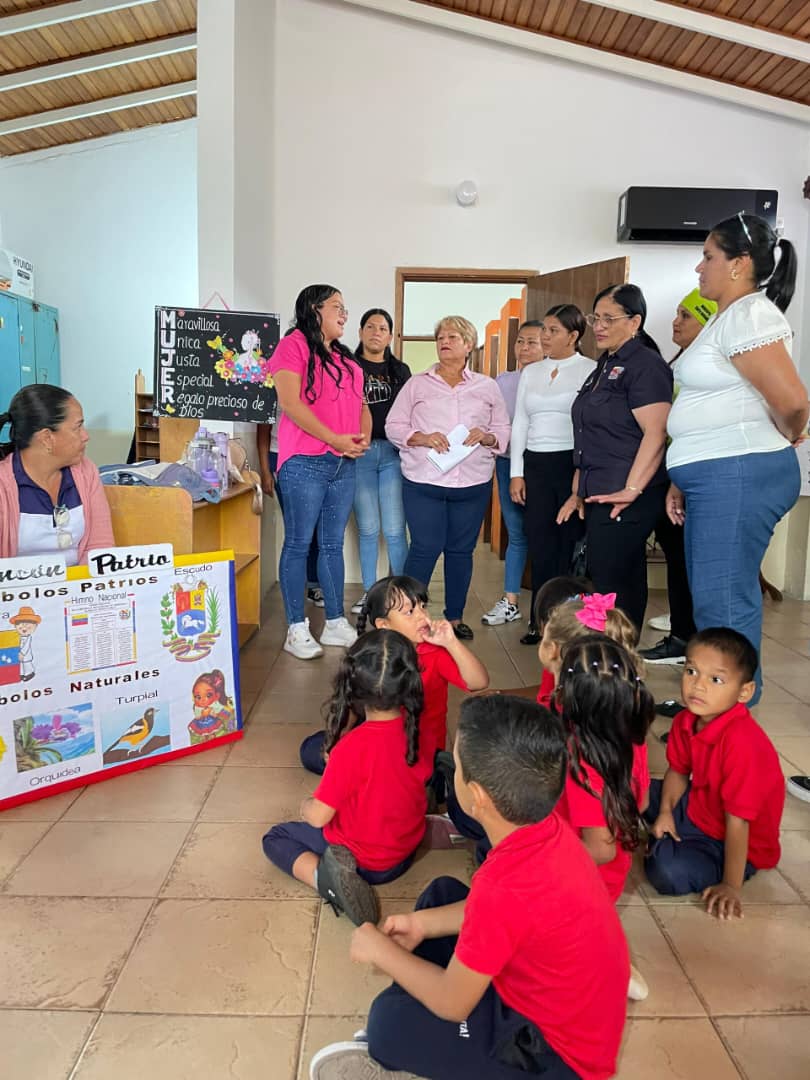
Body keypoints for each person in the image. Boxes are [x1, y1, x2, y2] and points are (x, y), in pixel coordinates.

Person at [309, 695, 629, 1080]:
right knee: (440, 895)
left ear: (476, 797)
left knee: (386, 1025)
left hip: (552, 1056)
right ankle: (431, 1026)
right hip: (551, 1000)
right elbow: (504, 912)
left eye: (457, 767)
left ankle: (417, 1037)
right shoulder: (547, 829)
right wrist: (423, 924)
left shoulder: (505, 885)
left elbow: (452, 1002)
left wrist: (380, 950)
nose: (453, 771)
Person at [665, 213, 808, 705]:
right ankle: (719, 715)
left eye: (708, 256)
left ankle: (732, 725)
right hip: (718, 474)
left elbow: (793, 402)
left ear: (740, 264)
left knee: (723, 606)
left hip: (739, 472)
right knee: (714, 602)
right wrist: (682, 474)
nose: (699, 268)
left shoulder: (751, 313)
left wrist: (790, 433)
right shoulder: (727, 318)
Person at [262, 629, 431, 927]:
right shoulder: (419, 732)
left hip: (364, 862)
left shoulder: (351, 749)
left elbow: (318, 818)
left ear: (353, 686)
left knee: (276, 838)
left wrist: (305, 803)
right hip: (404, 854)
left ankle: (329, 881)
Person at [644, 628, 785, 920]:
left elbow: (739, 821)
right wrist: (667, 811)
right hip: (697, 805)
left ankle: (667, 845)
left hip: (732, 840)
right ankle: (663, 830)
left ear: (744, 691)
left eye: (716, 679)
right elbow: (679, 772)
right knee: (631, 788)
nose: (698, 686)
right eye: (691, 671)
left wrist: (730, 886)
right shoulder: (687, 720)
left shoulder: (742, 744)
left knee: (667, 873)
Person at [385, 316, 511, 641]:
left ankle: (454, 618)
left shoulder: (487, 386)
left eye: (453, 337)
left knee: (460, 552)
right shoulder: (416, 384)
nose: (445, 341)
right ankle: (407, 617)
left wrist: (487, 436)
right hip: (424, 482)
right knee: (425, 548)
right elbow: (393, 425)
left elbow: (503, 430)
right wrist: (422, 437)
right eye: (440, 337)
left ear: (469, 345)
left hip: (472, 483)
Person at [269, 284, 372, 661]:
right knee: (298, 543)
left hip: (343, 464)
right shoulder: (292, 345)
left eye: (345, 308)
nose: (344, 314)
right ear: (314, 310)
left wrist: (361, 439)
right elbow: (290, 403)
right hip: (303, 462)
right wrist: (335, 439)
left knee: (331, 544)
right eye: (336, 307)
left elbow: (362, 407)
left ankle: (334, 622)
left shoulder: (346, 359)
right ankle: (296, 628)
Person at [298, 574, 489, 776]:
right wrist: (340, 738)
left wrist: (451, 643)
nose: (422, 616)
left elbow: (479, 682)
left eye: (423, 606)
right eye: (409, 612)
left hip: (419, 750)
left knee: (413, 772)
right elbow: (353, 700)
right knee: (312, 748)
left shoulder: (434, 653)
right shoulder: (374, 654)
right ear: (384, 625)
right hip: (379, 738)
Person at [563, 284, 673, 634]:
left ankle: (609, 658)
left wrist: (632, 488)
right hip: (600, 488)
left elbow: (656, 432)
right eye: (596, 318)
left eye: (610, 318)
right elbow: (590, 434)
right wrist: (578, 489)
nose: (599, 326)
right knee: (616, 574)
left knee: (610, 577)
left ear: (635, 321)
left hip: (628, 492)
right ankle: (613, 656)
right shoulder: (606, 363)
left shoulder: (645, 365)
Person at [556, 636, 653, 1001]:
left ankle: (609, 962)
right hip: (609, 874)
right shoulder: (633, 737)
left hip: (584, 876)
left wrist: (546, 859)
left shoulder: (583, 763)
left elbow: (600, 850)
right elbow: (640, 802)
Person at [509, 307, 595, 644]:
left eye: (553, 331)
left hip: (572, 465)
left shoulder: (589, 370)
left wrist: (583, 472)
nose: (544, 336)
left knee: (569, 544)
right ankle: (540, 621)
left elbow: (590, 426)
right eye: (543, 329)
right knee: (540, 544)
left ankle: (569, 623)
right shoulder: (532, 372)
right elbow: (520, 421)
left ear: (573, 336)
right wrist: (517, 473)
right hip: (536, 465)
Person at [641, 289, 717, 668]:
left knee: (687, 562)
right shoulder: (680, 362)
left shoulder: (710, 365)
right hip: (671, 475)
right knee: (677, 557)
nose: (675, 321)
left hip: (690, 478)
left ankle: (687, 639)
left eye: (686, 315)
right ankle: (682, 633)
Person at [0, 384, 114, 563]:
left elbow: (99, 549)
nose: (86, 436)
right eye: (77, 427)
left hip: (80, 588)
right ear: (46, 438)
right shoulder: (3, 486)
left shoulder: (87, 473)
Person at [480, 320, 543, 628]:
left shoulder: (553, 379)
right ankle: (511, 601)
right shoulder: (502, 381)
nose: (525, 347)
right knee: (516, 533)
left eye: (533, 342)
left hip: (542, 463)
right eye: (520, 341)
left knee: (548, 534)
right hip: (507, 463)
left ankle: (552, 605)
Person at [350, 309, 411, 614]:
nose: (376, 332)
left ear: (390, 336)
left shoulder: (401, 371)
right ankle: (370, 595)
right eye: (370, 326)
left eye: (383, 328)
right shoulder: (346, 366)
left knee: (395, 529)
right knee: (369, 528)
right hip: (358, 453)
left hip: (392, 454)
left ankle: (401, 596)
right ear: (361, 332)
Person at [256, 397, 323, 611]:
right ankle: (294, 601)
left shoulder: (316, 383)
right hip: (281, 458)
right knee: (297, 533)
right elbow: (263, 433)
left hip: (313, 457)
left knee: (317, 528)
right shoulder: (271, 389)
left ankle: (314, 584)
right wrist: (266, 472)